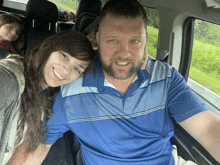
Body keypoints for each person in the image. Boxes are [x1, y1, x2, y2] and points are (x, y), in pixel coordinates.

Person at [9, 0, 220, 165]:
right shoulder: (73, 86)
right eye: (113, 40)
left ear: (146, 40)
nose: (124, 54)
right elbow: (37, 146)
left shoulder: (166, 78)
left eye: (135, 41)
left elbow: (208, 127)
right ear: (97, 39)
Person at [0, 30, 96, 165]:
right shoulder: (7, 79)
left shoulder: (41, 103)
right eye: (65, 56)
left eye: (77, 69)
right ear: (49, 47)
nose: (67, 70)